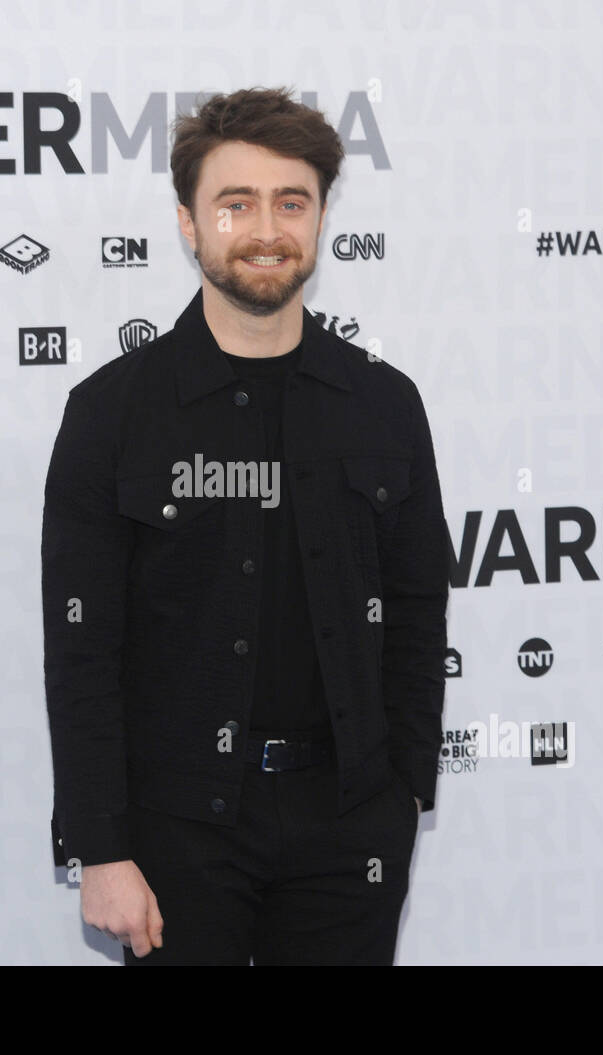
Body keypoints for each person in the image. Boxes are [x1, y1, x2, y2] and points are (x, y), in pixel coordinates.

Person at [41, 86, 449, 965]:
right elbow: (81, 652)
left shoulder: (385, 404)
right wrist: (102, 847)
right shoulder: (110, 415)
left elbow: (418, 610)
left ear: (321, 218)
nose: (266, 228)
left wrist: (404, 787)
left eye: (290, 202)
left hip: (350, 824)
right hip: (175, 829)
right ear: (189, 223)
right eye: (237, 203)